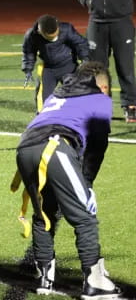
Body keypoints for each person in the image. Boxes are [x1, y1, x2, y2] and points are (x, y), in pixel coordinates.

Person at [13, 61, 122, 298]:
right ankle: (95, 282)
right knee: (85, 217)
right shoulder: (100, 99)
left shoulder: (58, 94)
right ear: (103, 86)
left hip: (24, 149)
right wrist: (87, 183)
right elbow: (97, 147)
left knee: (44, 214)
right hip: (55, 147)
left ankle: (44, 277)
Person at [75, 0, 136, 123]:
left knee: (125, 68)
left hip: (121, 23)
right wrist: (88, 1)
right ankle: (99, 107)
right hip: (97, 24)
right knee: (96, 69)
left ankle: (130, 105)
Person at [22, 14, 90, 113]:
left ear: (58, 26)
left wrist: (85, 59)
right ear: (40, 32)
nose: (54, 39)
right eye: (50, 38)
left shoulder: (66, 29)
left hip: (68, 66)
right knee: (43, 102)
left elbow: (80, 43)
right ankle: (44, 122)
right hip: (48, 69)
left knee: (77, 96)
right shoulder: (32, 35)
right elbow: (28, 51)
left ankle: (80, 119)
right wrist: (28, 69)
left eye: (55, 35)